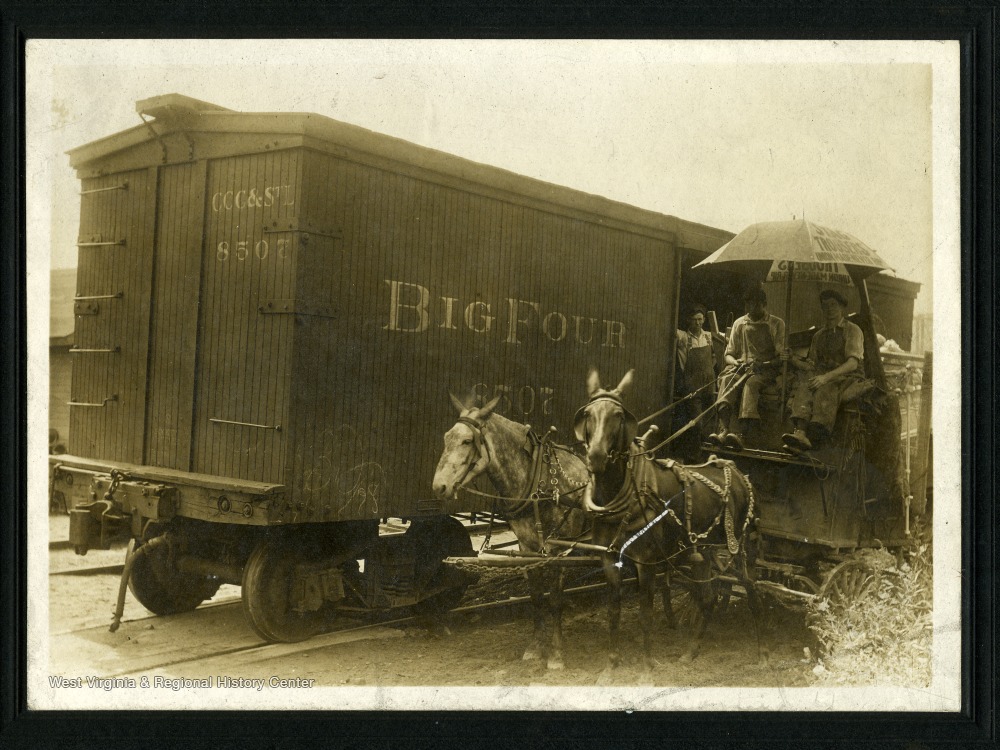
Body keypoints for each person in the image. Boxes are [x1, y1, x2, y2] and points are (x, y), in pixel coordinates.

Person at [782, 288, 865, 451]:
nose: (829, 310)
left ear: (842, 308)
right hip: (824, 376)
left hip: (848, 376)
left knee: (824, 388)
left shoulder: (852, 330)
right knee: (805, 384)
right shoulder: (819, 335)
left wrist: (825, 378)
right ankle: (800, 433)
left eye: (833, 305)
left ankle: (818, 435)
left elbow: (852, 363)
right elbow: (811, 365)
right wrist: (791, 358)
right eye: (825, 306)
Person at [709, 287, 786, 451]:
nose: (750, 309)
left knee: (751, 384)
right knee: (726, 380)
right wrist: (735, 363)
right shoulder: (739, 323)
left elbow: (781, 358)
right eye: (747, 305)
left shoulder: (776, 324)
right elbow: (728, 354)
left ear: (764, 305)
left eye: (755, 305)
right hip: (741, 367)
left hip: (766, 370)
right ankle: (724, 430)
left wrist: (764, 364)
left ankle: (743, 434)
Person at [672, 304, 717, 458]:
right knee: (697, 422)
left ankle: (708, 456)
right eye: (694, 320)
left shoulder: (709, 337)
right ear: (688, 320)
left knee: (710, 421)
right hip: (692, 385)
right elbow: (669, 327)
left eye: (700, 319)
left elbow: (716, 356)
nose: (698, 323)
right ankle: (695, 456)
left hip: (709, 385)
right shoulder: (683, 337)